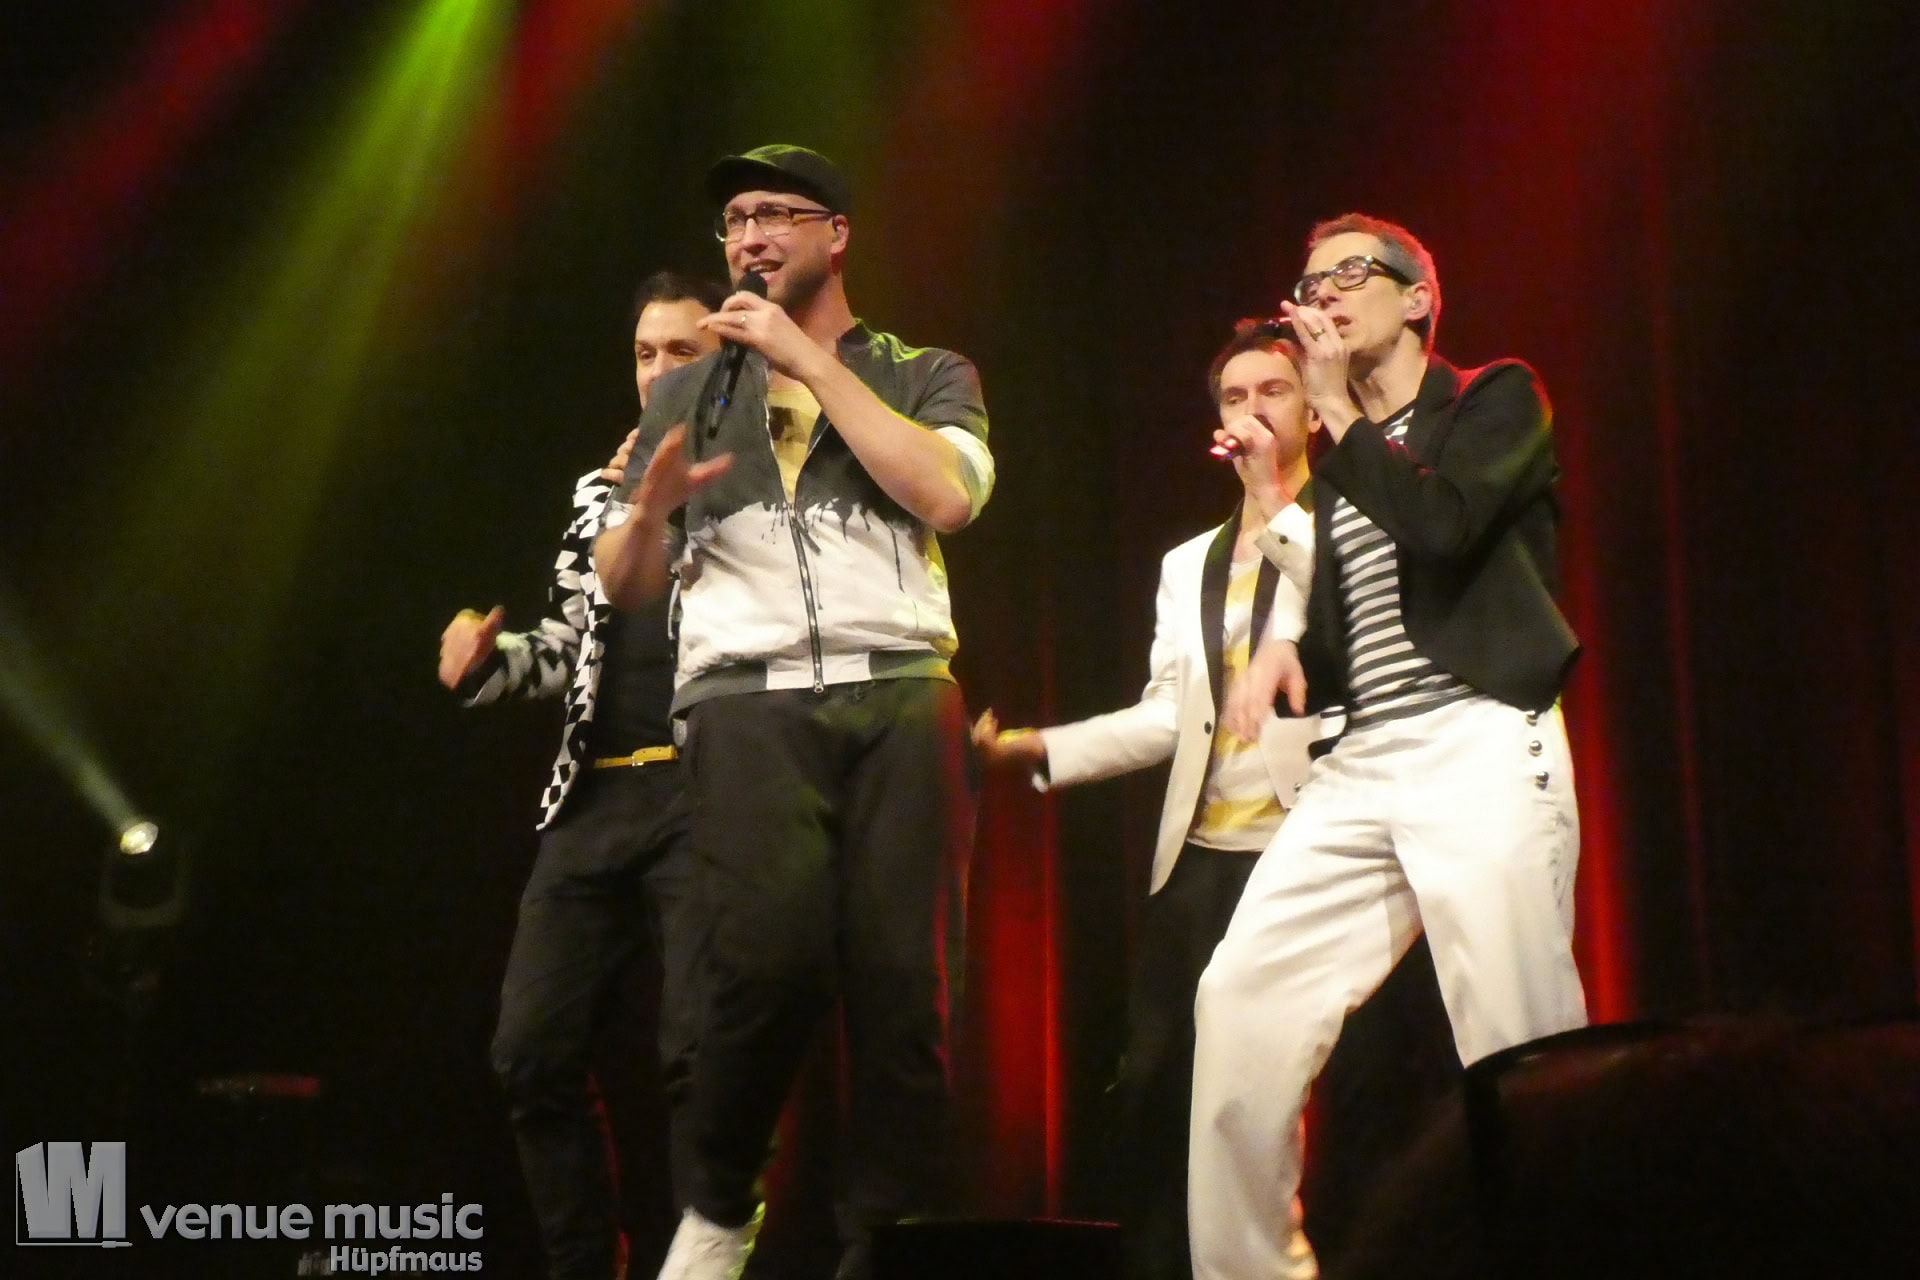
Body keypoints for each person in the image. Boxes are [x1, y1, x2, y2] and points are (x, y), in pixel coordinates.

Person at [592, 145, 993, 1280]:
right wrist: (646, 515)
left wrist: (806, 361)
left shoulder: (925, 371)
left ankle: (885, 1242)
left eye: (774, 213)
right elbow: (627, 585)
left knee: (907, 992)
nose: (750, 237)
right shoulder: (687, 391)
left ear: (836, 234)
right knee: (760, 973)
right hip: (746, 702)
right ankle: (721, 1205)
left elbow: (948, 495)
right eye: (734, 220)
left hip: (900, 691)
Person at [1188, 213, 1588, 1280]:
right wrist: (1287, 640)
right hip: (1364, 761)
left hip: (1479, 737)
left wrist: (1330, 410)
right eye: (1309, 281)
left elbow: (1445, 525)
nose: (1321, 295)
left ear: (1417, 299)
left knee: (1518, 1038)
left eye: (1350, 274)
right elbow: (1343, 613)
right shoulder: (1340, 465)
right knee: (1241, 999)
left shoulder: (1494, 398)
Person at [972, 320, 1318, 1280]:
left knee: (1303, 1081)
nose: (1252, 411)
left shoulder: (1351, 529)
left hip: (1316, 839)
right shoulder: (1190, 562)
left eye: (1274, 392)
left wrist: (1274, 498)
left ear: (1314, 410)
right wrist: (1042, 749)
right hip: (1204, 854)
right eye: (1235, 397)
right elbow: (1170, 714)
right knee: (1164, 1078)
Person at [438, 270, 727, 1280]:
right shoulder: (596, 491)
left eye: (680, 351)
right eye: (644, 353)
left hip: (702, 794)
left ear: (725, 361)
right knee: (529, 1052)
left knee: (698, 1058)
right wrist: (491, 660)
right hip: (594, 793)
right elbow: (571, 644)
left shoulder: (758, 481)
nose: (656, 370)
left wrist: (675, 497)